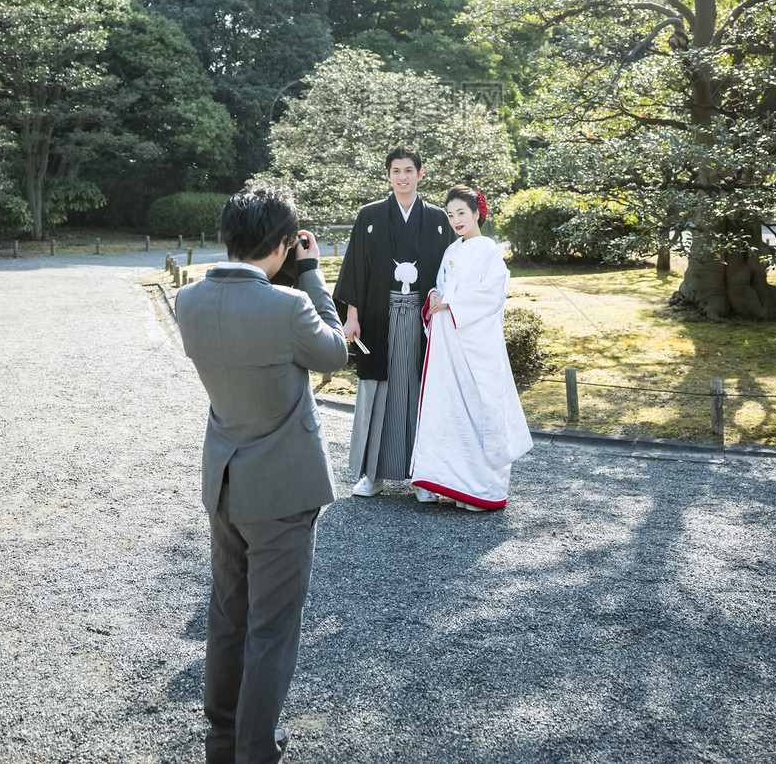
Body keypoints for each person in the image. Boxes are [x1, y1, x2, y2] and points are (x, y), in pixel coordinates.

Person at [175, 184, 348, 764]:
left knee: (228, 615)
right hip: (281, 489)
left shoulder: (189, 301)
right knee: (272, 628)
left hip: (223, 480)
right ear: (282, 245)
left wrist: (285, 271)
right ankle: (255, 751)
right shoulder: (288, 306)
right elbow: (333, 353)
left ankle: (222, 740)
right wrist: (313, 273)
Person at [334, 145, 450, 499]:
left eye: (408, 170)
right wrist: (352, 318)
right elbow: (355, 269)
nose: (402, 177)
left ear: (420, 174)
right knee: (376, 391)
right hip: (377, 317)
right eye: (396, 171)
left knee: (420, 390)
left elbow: (449, 271)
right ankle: (373, 475)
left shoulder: (437, 220)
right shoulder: (369, 215)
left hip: (423, 318)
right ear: (388, 175)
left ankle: (423, 476)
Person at [410, 185, 533, 510]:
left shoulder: (489, 250)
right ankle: (454, 485)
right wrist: (436, 297)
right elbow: (441, 285)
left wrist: (448, 301)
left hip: (478, 344)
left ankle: (485, 490)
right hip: (451, 345)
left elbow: (493, 292)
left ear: (477, 212)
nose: (456, 220)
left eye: (461, 213)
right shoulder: (451, 252)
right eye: (450, 215)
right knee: (451, 412)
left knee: (484, 409)